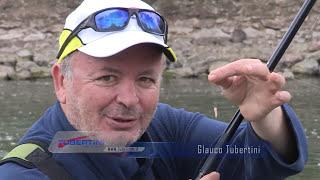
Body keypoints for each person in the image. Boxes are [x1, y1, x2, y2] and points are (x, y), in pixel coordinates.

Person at [0, 0, 307, 179]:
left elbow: (255, 157)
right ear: (60, 82)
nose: (129, 100)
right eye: (107, 77)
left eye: (146, 79)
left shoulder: (164, 131)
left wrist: (265, 117)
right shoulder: (23, 174)